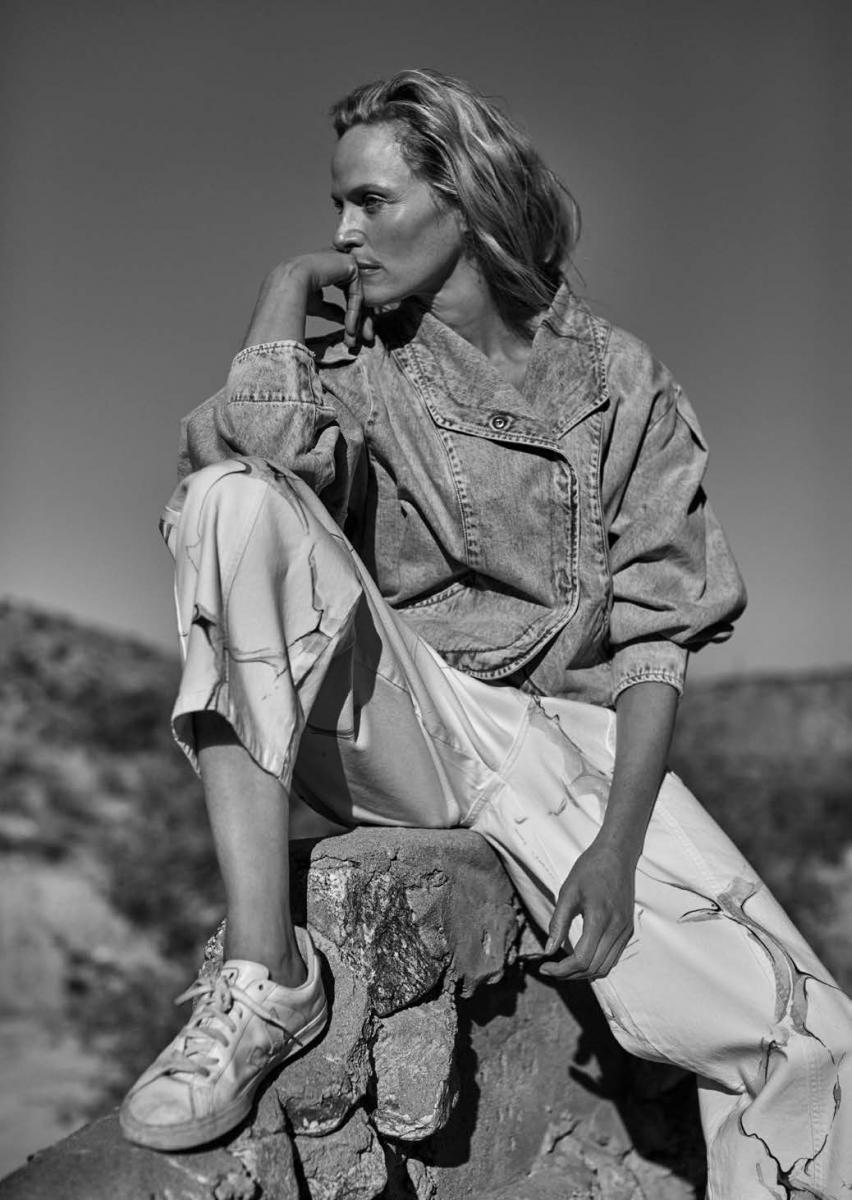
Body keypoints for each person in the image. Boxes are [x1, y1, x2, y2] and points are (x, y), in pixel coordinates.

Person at [119, 69, 852, 1196]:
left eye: (369, 202)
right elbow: (249, 472)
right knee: (229, 498)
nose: (341, 234)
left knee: (810, 1048)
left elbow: (657, 638)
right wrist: (281, 294)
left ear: (462, 200)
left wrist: (615, 849)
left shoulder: (619, 382)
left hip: (563, 749)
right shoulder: (350, 375)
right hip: (400, 721)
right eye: (336, 207)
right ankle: (267, 976)